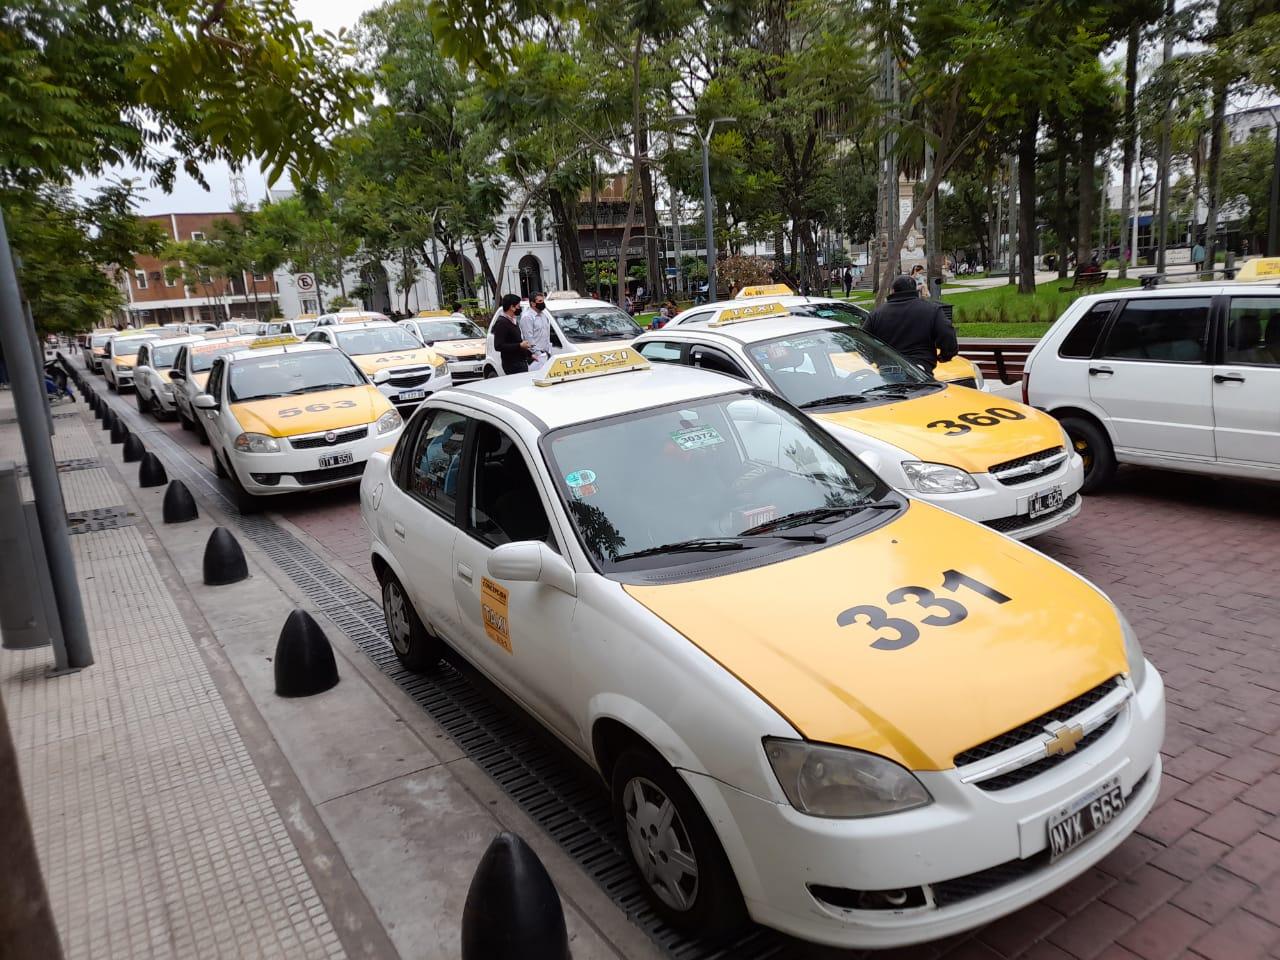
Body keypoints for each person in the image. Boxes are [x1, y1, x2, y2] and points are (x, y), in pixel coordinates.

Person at [864, 275, 958, 375]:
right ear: (915, 289)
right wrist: (945, 356)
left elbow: (864, 342)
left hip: (888, 370)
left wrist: (875, 359)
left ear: (893, 290)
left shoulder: (876, 314)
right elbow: (947, 335)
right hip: (920, 369)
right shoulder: (932, 310)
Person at [492, 294, 533, 375]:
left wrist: (530, 354)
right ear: (512, 307)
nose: (519, 308)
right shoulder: (502, 323)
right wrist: (519, 345)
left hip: (520, 361)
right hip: (512, 364)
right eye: (518, 306)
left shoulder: (513, 320)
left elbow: (517, 340)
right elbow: (498, 346)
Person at [518, 291, 552, 368]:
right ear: (533, 303)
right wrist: (538, 354)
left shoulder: (543, 315)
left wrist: (548, 352)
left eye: (543, 300)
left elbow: (546, 334)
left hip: (546, 354)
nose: (542, 303)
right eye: (540, 301)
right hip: (536, 357)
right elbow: (528, 338)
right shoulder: (527, 317)